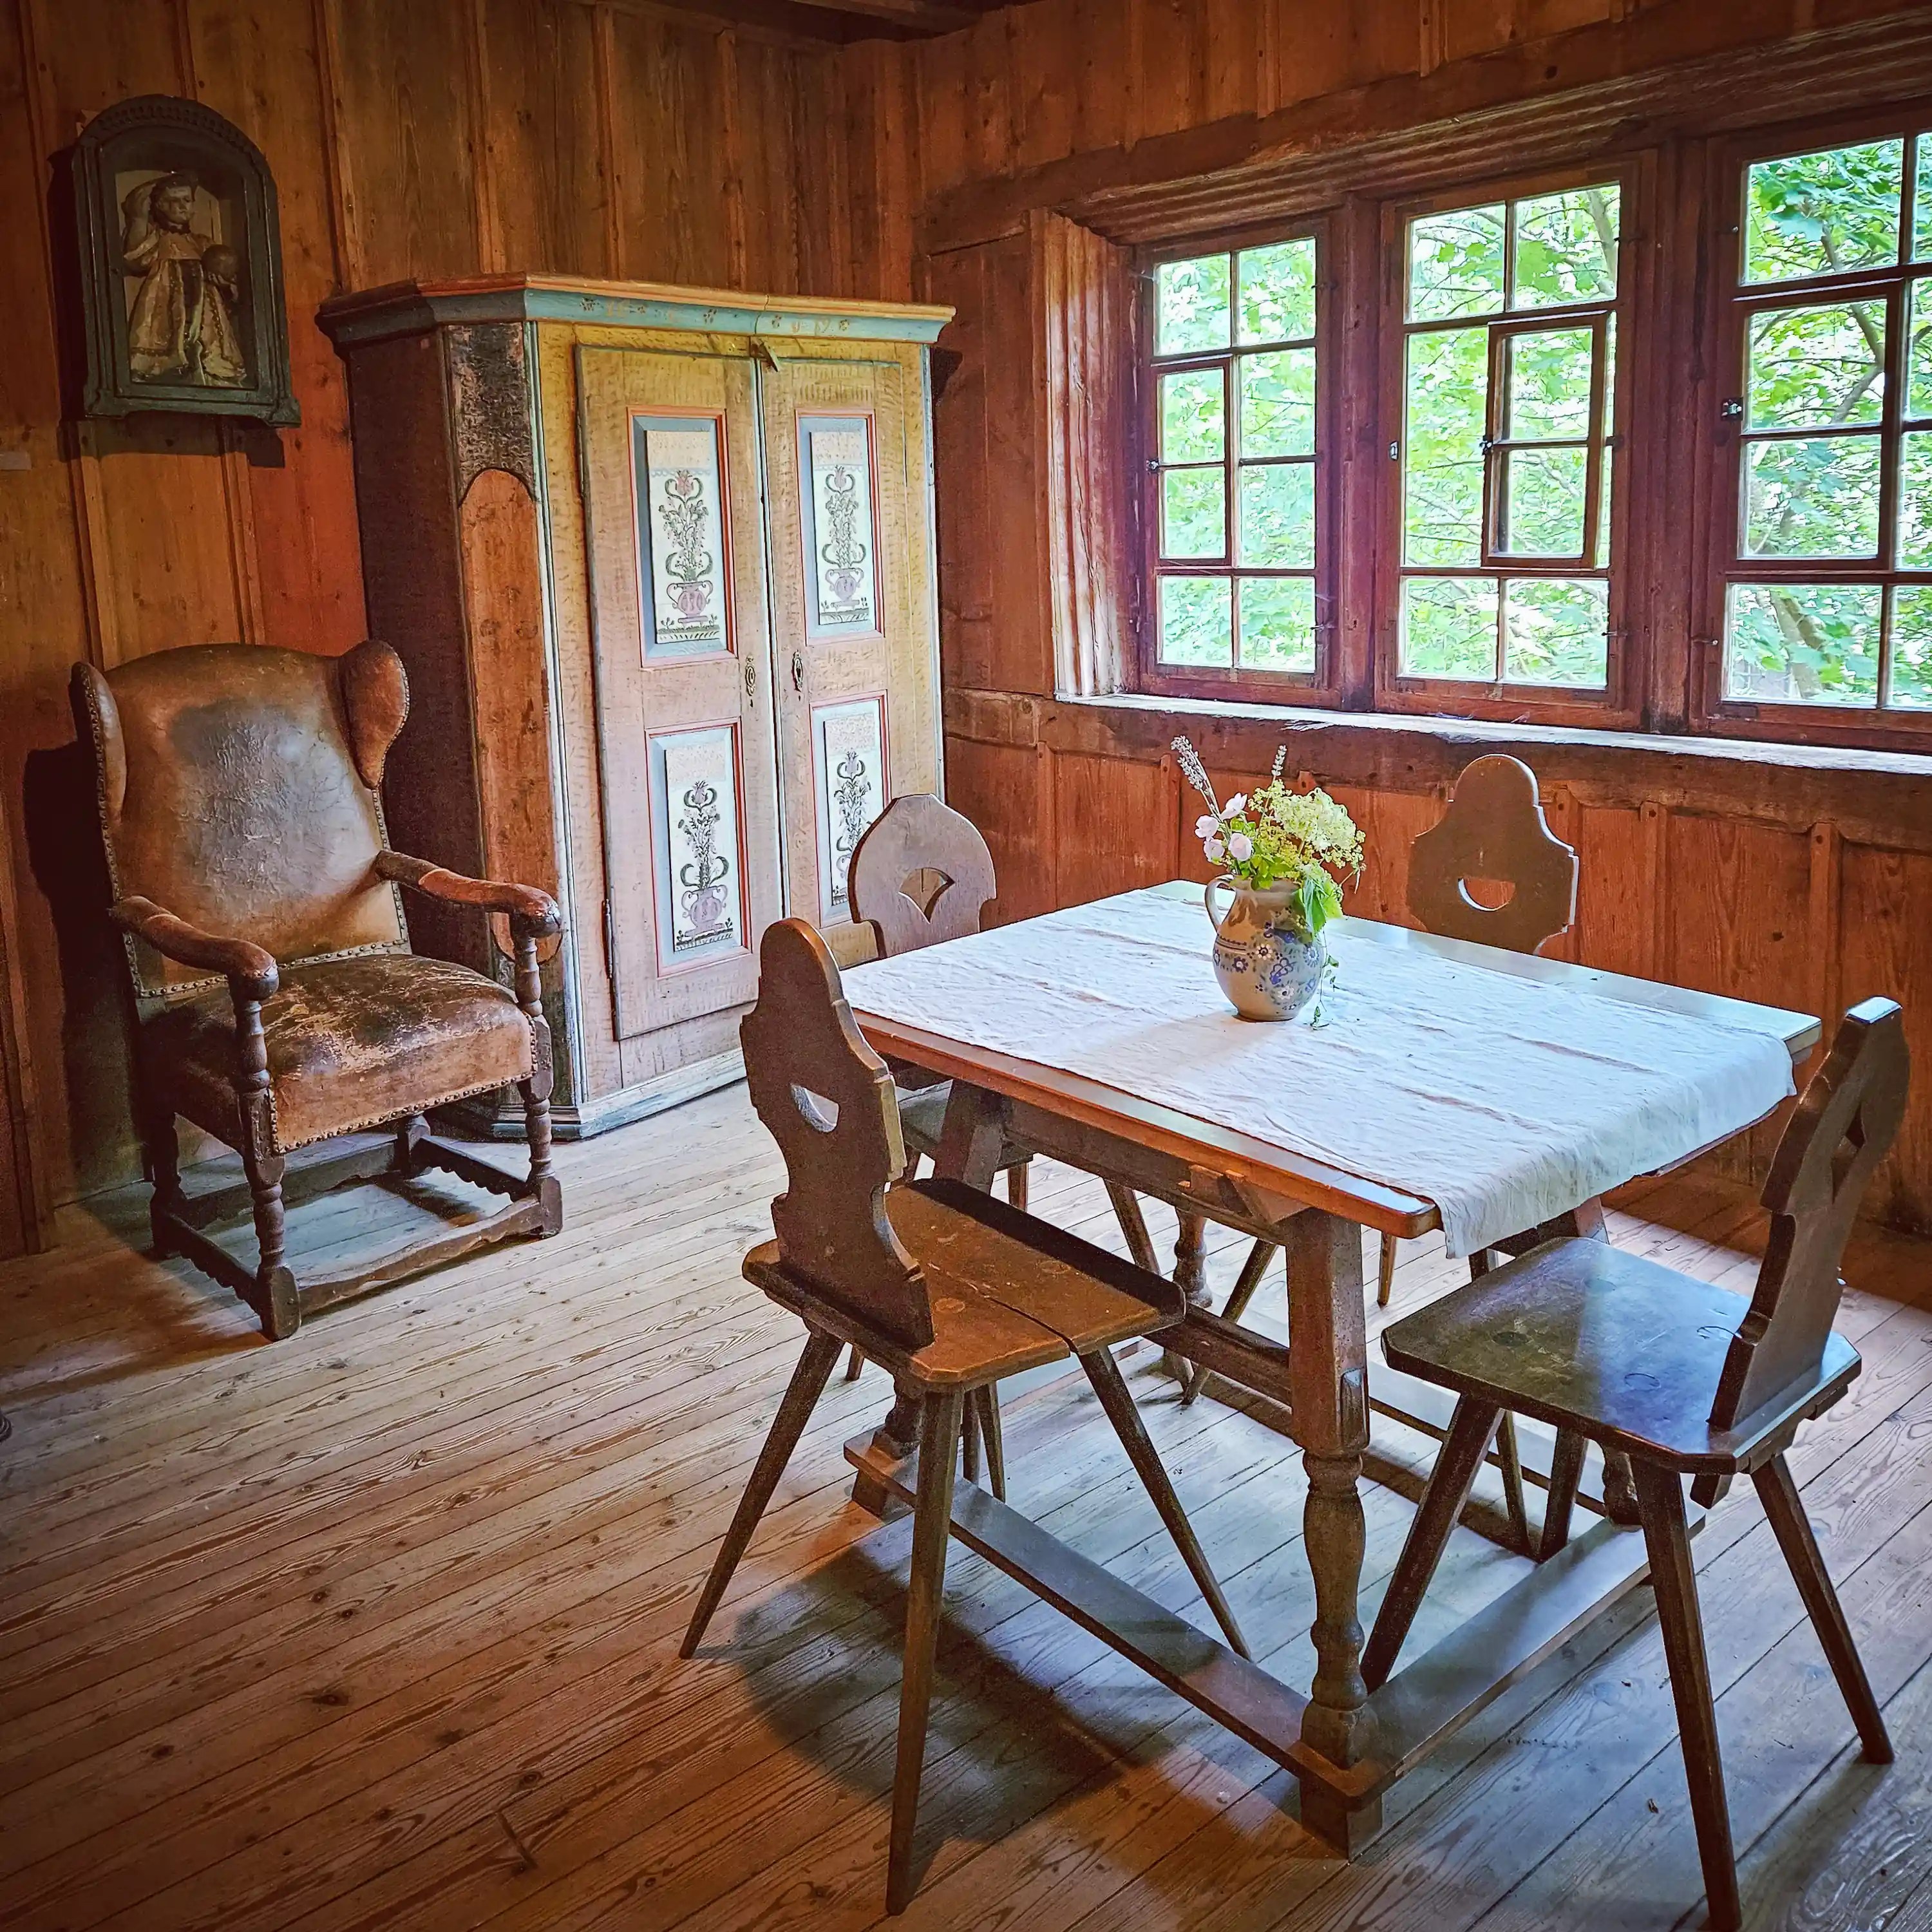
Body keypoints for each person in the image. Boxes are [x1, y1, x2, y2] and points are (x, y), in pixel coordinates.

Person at [120, 171, 247, 386]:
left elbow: (230, 286)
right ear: (159, 205)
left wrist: (226, 287)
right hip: (167, 305)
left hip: (205, 315)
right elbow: (136, 257)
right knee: (166, 355)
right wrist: (138, 219)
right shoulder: (158, 239)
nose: (182, 206)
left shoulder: (203, 244)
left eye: (187, 200)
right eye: (174, 201)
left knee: (210, 359)